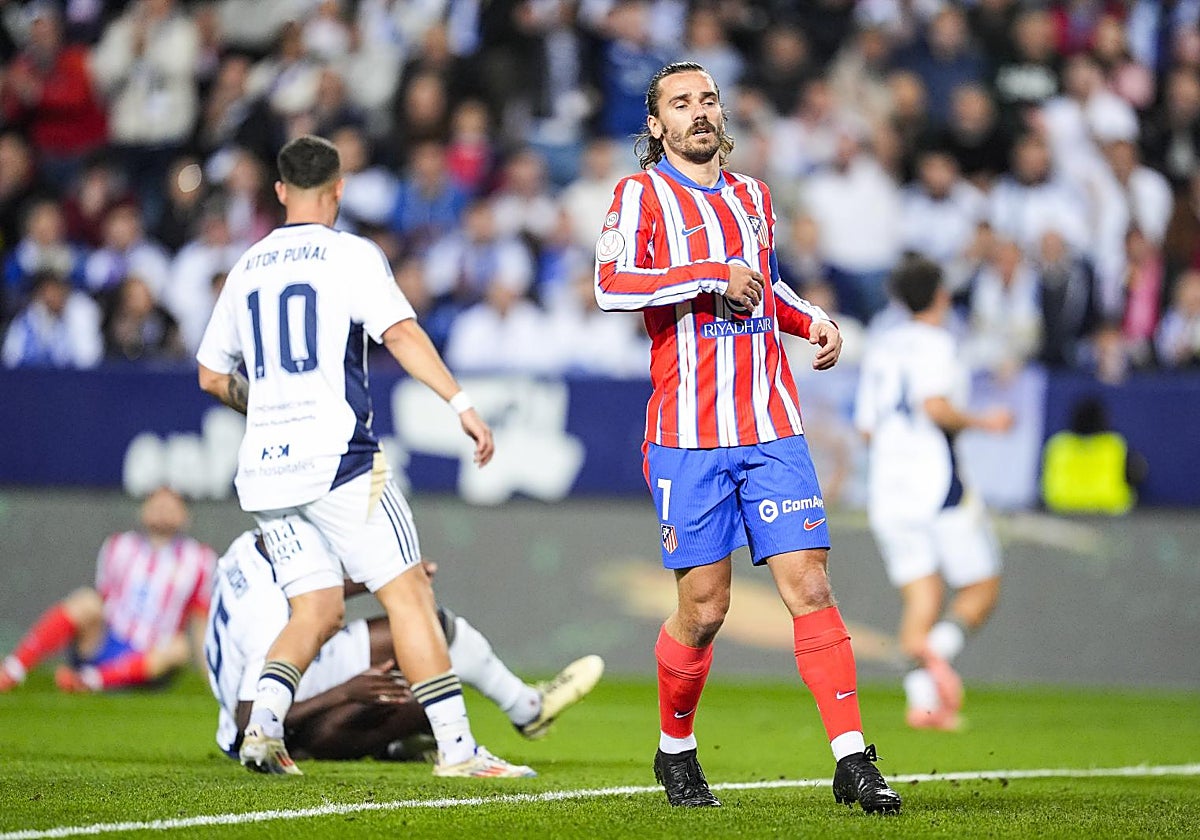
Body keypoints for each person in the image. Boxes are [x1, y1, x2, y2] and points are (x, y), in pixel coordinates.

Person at [593, 61, 901, 814]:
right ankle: (675, 751)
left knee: (810, 582)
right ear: (657, 124)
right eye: (680, 104)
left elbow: (764, 279)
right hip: (687, 436)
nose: (699, 113)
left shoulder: (754, 197)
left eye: (707, 100)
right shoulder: (639, 196)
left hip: (770, 426)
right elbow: (610, 284)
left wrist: (812, 319)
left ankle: (853, 758)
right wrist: (706, 275)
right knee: (704, 609)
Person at [196, 135, 529, 779]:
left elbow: (212, 376)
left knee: (315, 609)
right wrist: (459, 401)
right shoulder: (350, 255)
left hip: (266, 471)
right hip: (339, 459)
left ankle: (263, 731)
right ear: (340, 189)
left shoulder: (247, 266)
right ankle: (458, 750)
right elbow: (400, 332)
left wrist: (262, 408)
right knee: (409, 596)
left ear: (279, 191)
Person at [205, 528, 605, 762]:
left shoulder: (250, 547)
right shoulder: (268, 623)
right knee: (421, 703)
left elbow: (305, 592)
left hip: (302, 665)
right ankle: (394, 743)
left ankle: (527, 708)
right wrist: (345, 692)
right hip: (281, 717)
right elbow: (248, 724)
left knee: (430, 627)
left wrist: (385, 579)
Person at [854, 257, 1014, 731]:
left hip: (887, 490)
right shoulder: (939, 343)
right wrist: (989, 422)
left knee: (921, 597)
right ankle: (939, 650)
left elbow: (866, 430)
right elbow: (935, 405)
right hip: (936, 484)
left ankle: (923, 702)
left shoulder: (880, 348)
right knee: (982, 586)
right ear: (941, 295)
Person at [0, 487, 214, 693]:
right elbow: (103, 600)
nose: (163, 511)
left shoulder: (199, 559)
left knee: (179, 648)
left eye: (171, 506)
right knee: (86, 601)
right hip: (108, 641)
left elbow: (200, 622)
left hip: (152, 654)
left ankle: (91, 681)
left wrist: (213, 678)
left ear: (185, 515)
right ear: (143, 509)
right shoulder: (119, 546)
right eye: (157, 504)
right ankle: (14, 668)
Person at [1041, 396, 1144, 515]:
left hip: (1064, 507)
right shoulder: (1114, 444)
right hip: (1108, 509)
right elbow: (1137, 474)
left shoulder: (1058, 444)